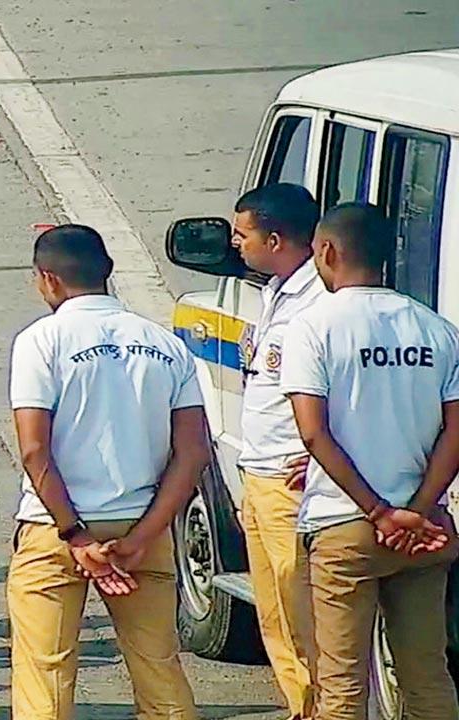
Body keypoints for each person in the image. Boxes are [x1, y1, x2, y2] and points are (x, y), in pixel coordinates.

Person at [6, 225, 208, 719]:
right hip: (142, 524)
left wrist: (75, 536)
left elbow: (35, 451)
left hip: (56, 528)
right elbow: (193, 452)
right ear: (107, 273)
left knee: (46, 672)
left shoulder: (41, 342)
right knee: (158, 664)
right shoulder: (165, 343)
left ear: (48, 279)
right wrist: (144, 535)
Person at [282, 202, 459, 720]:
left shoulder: (314, 327)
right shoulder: (435, 329)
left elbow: (314, 433)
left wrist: (379, 511)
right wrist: (419, 508)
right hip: (424, 529)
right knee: (427, 677)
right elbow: (455, 430)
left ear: (327, 251)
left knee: (341, 686)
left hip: (345, 526)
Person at [230, 183, 323, 719]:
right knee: (274, 612)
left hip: (294, 481)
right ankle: (300, 706)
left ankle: (324, 705)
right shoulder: (274, 290)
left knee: (304, 607)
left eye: (243, 235)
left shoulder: (319, 300)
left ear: (276, 237)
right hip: (258, 473)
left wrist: (319, 456)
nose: (236, 244)